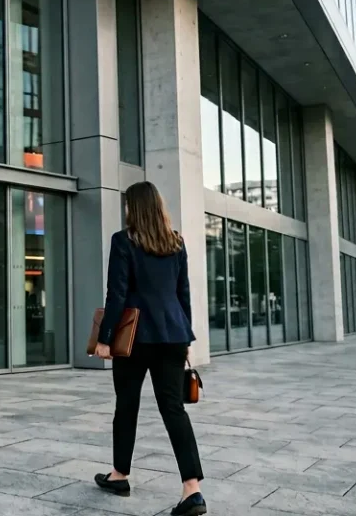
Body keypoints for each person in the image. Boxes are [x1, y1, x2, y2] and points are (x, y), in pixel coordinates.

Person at [92, 181, 205, 516]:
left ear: (135, 208)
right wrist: (186, 338)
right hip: (172, 335)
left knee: (126, 405)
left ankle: (120, 475)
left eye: (128, 204)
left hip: (135, 338)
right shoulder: (176, 242)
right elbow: (183, 294)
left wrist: (104, 338)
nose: (125, 210)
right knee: (174, 410)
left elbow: (118, 294)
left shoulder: (123, 241)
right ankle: (192, 490)